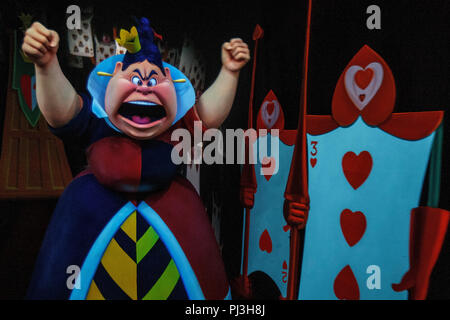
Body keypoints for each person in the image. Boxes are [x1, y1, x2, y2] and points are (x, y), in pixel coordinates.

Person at [23, 17, 250, 300]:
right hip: (90, 215)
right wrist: (46, 66)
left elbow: (207, 115)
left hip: (172, 215)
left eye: (155, 79)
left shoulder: (176, 126)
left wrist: (230, 72)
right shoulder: (97, 118)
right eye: (134, 78)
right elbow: (61, 111)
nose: (144, 87)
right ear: (115, 74)